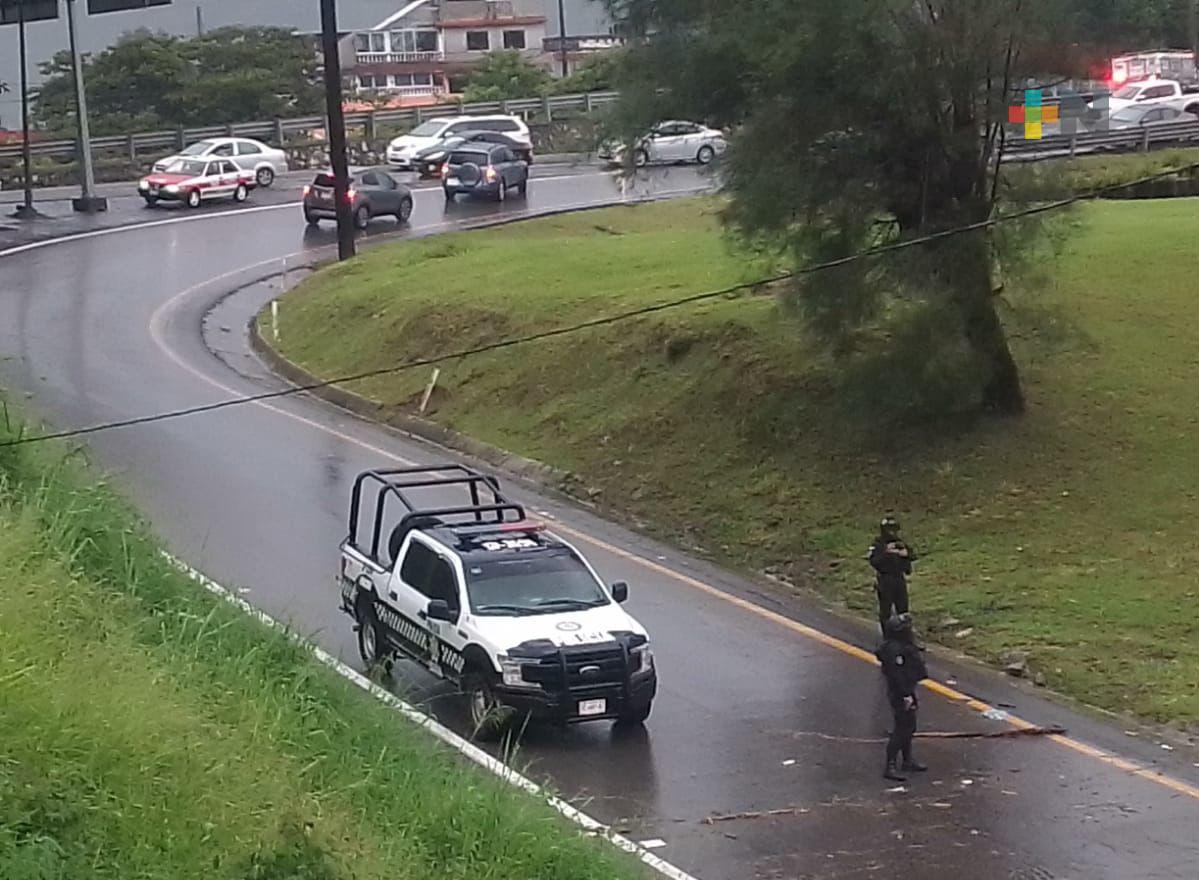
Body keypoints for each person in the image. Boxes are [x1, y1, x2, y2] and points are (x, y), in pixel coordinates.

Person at [876, 613, 928, 781]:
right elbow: (897, 675)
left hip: (907, 689)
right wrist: (906, 695)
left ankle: (907, 760)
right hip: (901, 692)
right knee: (902, 728)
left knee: (909, 725)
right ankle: (890, 766)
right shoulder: (894, 651)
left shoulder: (902, 645)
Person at [868, 516, 915, 634]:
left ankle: (906, 636)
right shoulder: (878, 543)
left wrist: (905, 554)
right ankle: (887, 636)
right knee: (886, 610)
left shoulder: (900, 543)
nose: (892, 533)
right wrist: (886, 552)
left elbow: (913, 555)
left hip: (899, 578)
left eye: (894, 530)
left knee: (903, 609)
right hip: (885, 579)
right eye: (890, 530)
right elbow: (874, 561)